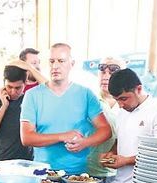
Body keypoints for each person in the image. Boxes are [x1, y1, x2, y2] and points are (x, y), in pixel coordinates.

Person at [20, 42, 111, 174]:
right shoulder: (32, 95)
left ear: (72, 64)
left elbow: (105, 130)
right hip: (43, 174)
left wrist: (85, 142)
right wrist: (62, 136)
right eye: (52, 61)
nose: (55, 66)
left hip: (78, 174)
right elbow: (27, 138)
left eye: (61, 61)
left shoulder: (86, 94)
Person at [101, 68, 157, 183]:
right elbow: (121, 140)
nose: (120, 105)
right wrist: (111, 153)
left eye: (123, 98)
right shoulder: (122, 111)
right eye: (116, 100)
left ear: (139, 89)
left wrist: (126, 161)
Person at [86, 57, 124, 181]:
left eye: (112, 71)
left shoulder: (129, 104)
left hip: (119, 174)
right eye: (102, 70)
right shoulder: (89, 99)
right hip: (87, 173)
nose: (106, 76)